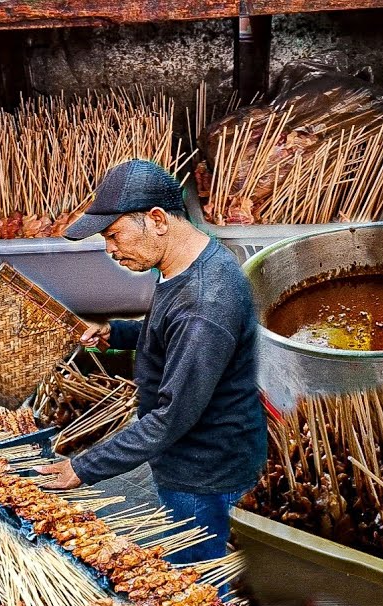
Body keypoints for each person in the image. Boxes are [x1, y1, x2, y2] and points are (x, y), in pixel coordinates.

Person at [36, 159, 267, 565]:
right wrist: (118, 334)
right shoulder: (194, 261)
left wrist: (84, 467)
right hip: (201, 458)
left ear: (157, 219)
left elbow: (170, 417)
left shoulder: (203, 305)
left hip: (202, 475)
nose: (110, 250)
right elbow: (172, 331)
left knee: (197, 588)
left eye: (113, 235)